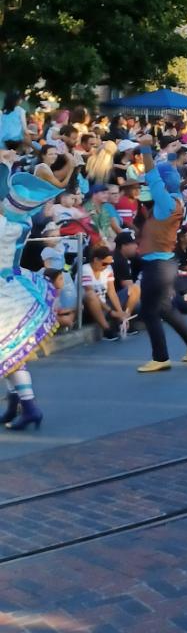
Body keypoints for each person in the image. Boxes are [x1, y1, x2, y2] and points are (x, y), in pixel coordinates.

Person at [135, 137, 187, 373]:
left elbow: (152, 175)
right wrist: (172, 155)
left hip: (156, 264)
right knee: (164, 307)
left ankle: (160, 357)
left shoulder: (165, 201)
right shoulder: (176, 198)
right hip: (165, 263)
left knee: (148, 311)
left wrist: (146, 147)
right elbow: (168, 172)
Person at [0, 153, 59, 432]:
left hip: (5, 293)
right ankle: (15, 404)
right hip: (15, 284)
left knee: (8, 353)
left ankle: (30, 406)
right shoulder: (21, 223)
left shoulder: (4, 226)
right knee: (9, 352)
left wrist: (5, 167)